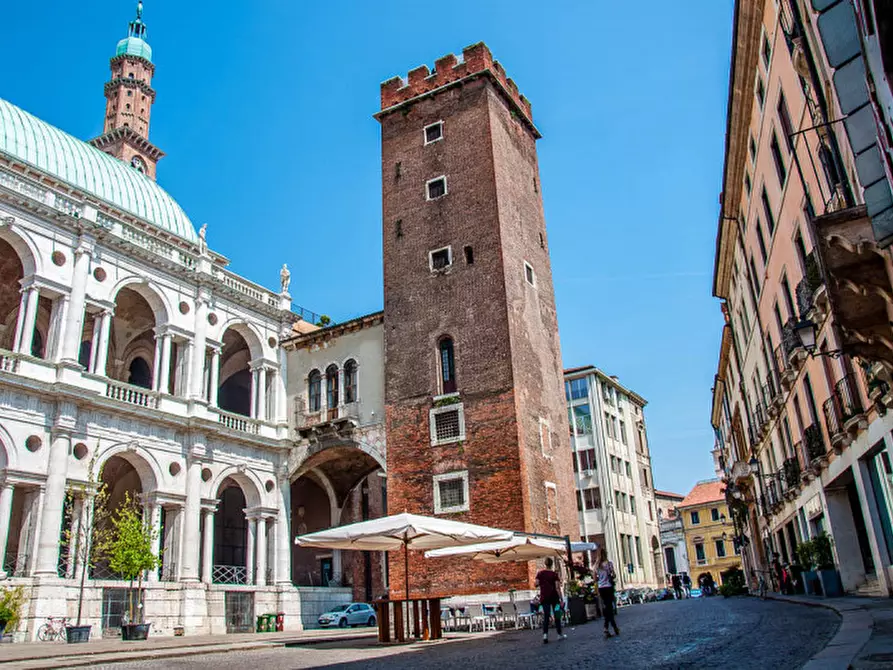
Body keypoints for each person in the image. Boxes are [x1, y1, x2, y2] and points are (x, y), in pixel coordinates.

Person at [535, 557, 565, 644]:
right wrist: (561, 599)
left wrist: (541, 584)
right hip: (555, 599)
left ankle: (545, 635)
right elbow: (557, 587)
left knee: (546, 616)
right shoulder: (554, 574)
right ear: (551, 564)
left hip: (544, 598)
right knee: (557, 615)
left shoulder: (540, 573)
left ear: (545, 564)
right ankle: (559, 634)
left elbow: (536, 584)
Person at [596, 548, 620, 638]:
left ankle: (613, 627)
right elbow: (613, 575)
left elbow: (595, 578)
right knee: (609, 608)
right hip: (608, 587)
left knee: (607, 607)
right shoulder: (609, 564)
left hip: (601, 588)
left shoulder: (597, 565)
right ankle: (609, 627)